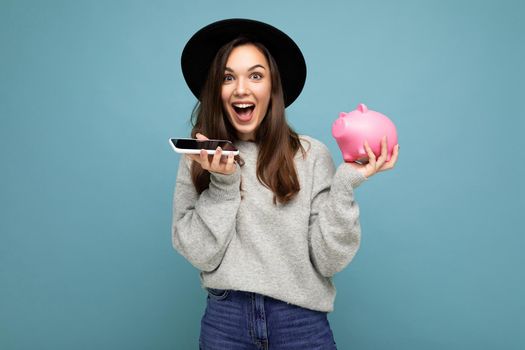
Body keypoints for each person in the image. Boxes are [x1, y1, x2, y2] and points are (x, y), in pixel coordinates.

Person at [172, 18, 399, 350]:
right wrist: (222, 183)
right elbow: (199, 254)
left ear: (272, 87)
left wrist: (345, 184)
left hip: (300, 324)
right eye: (228, 77)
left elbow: (329, 261)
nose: (241, 89)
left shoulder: (311, 155)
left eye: (256, 75)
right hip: (226, 322)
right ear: (216, 90)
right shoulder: (199, 158)